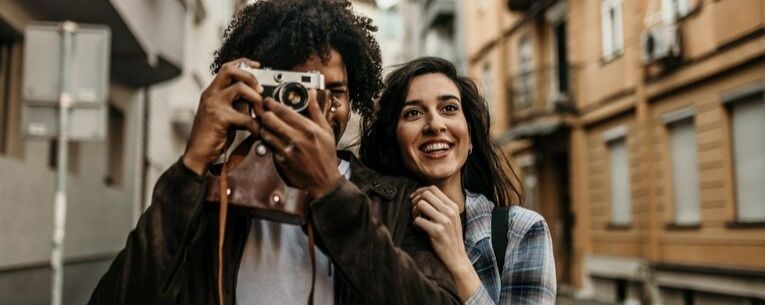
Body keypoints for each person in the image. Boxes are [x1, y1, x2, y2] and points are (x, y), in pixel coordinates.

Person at [87, 2, 460, 305]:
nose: (322, 108)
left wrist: (332, 194)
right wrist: (192, 165)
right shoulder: (209, 194)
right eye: (300, 90)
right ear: (261, 90)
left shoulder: (395, 201)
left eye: (337, 92)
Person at [360, 57, 557, 305]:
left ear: (470, 137)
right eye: (413, 113)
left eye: (449, 108)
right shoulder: (370, 227)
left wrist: (458, 261)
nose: (435, 124)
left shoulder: (521, 231)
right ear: (394, 141)